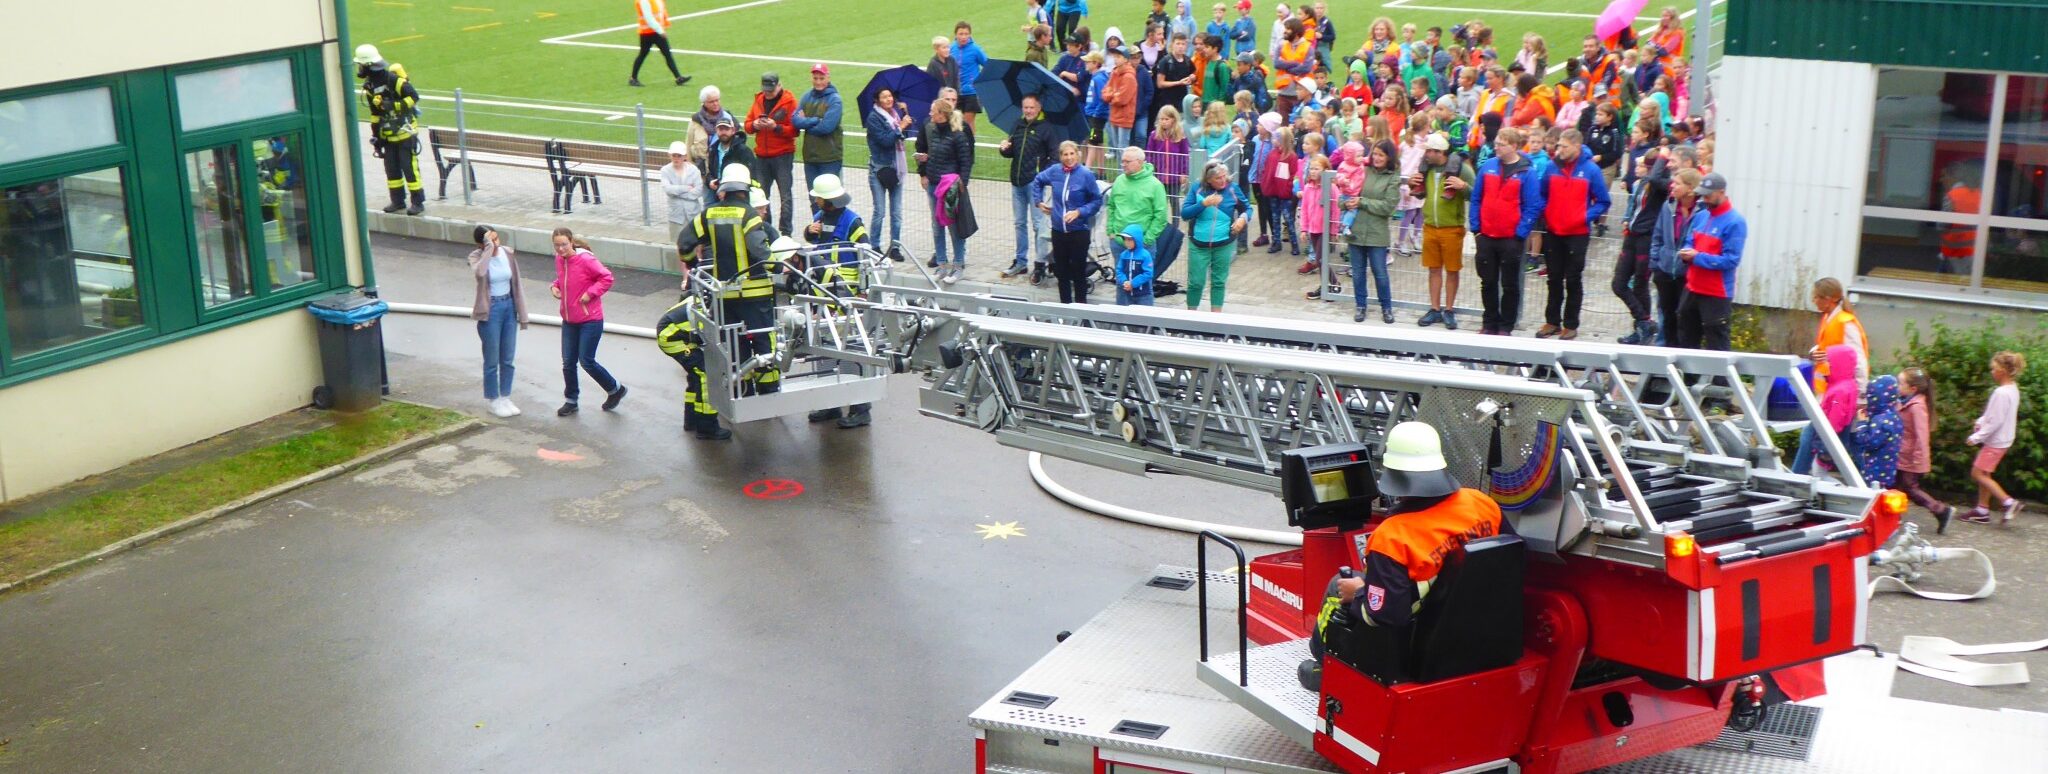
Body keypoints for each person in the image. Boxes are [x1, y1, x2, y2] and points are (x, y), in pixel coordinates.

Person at [1323, 422, 1514, 635]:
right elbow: (1513, 558)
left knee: (1337, 583)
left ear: (1393, 473)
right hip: (1481, 620)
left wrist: (1358, 592)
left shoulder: (1391, 539)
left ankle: (1321, 653)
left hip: (1421, 633)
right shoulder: (1481, 502)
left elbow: (1387, 615)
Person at [680, 165, 781, 396]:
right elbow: (759, 250)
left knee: (736, 345)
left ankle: (743, 392)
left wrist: (692, 263)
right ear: (745, 189)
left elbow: (685, 243)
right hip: (756, 295)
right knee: (764, 343)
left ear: (724, 189)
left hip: (724, 295)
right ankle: (768, 392)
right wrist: (778, 267)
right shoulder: (749, 214)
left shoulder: (708, 214)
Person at [800, 174, 876, 429]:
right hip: (824, 296)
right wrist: (808, 232)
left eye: (818, 197)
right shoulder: (820, 218)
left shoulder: (853, 222)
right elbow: (816, 245)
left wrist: (863, 292)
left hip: (847, 298)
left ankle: (860, 409)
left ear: (828, 199)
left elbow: (866, 256)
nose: (816, 201)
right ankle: (830, 404)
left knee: (852, 349)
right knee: (825, 348)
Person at [1467, 127, 1545, 335]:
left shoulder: (1527, 172)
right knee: (1487, 282)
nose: (1497, 148)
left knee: (1510, 284)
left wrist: (1520, 233)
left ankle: (1506, 325)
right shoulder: (1488, 166)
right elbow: (1476, 198)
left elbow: (1533, 205)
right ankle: (1489, 322)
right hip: (1486, 235)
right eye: (1496, 144)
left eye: (1501, 144)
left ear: (1514, 146)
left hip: (1511, 238)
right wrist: (1476, 228)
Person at [1533, 129, 1609, 341]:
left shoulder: (1591, 170)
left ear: (1576, 146)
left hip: (1577, 233)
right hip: (1554, 231)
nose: (1559, 150)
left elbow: (1603, 201)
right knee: (1553, 278)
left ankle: (1571, 324)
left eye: (1564, 146)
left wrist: (1584, 217)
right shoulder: (1552, 167)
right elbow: (1542, 194)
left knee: (1573, 279)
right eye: (1558, 145)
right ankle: (1552, 321)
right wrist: (1546, 212)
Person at [549, 228, 625, 416]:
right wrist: (555, 287)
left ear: (571, 242)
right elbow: (563, 278)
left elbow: (606, 278)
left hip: (590, 319)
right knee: (568, 362)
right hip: (569, 319)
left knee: (586, 361)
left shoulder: (586, 260)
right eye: (557, 245)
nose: (560, 249)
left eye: (564, 244)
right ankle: (571, 400)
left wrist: (590, 294)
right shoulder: (559, 259)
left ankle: (615, 389)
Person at [654, 279, 731, 441]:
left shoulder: (704, 297)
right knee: (706, 376)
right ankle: (707, 427)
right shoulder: (711, 309)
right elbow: (714, 336)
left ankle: (691, 421)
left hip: (674, 334)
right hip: (673, 338)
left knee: (695, 376)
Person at [1674, 172, 1744, 351]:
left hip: (1716, 293)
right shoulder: (1701, 216)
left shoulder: (1735, 222)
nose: (1704, 199)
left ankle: (1719, 372)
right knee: (1686, 341)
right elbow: (1690, 240)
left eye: (1708, 195)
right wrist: (1687, 252)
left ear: (1721, 192)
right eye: (1702, 195)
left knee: (1717, 344)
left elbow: (1731, 260)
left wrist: (1697, 257)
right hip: (1692, 288)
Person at [353, 45, 425, 215]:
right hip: (388, 136)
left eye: (361, 65)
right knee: (392, 169)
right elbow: (375, 114)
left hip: (405, 132)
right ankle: (397, 201)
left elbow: (414, 97)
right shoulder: (369, 86)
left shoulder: (394, 80)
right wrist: (376, 136)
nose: (359, 68)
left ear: (369, 65)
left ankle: (417, 202)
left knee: (409, 168)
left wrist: (392, 105)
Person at [1030, 141, 1104, 304]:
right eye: (1065, 154)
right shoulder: (1055, 171)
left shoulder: (1086, 175)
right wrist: (1038, 201)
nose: (1069, 158)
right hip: (1058, 231)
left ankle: (1081, 307)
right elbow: (1038, 180)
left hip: (1079, 231)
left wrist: (1079, 212)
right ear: (1060, 156)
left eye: (1072, 154)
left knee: (1078, 273)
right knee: (1061, 272)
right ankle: (1065, 306)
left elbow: (1096, 201)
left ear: (1078, 154)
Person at [1336, 140, 1401, 324]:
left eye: (1381, 155)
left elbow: (1388, 207)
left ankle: (1386, 307)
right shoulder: (1362, 169)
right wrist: (1345, 203)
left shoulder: (1393, 176)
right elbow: (1344, 195)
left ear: (1389, 157)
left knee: (1380, 272)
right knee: (1357, 272)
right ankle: (1360, 305)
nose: (1377, 158)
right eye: (1375, 154)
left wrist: (1362, 202)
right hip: (1356, 230)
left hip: (1376, 233)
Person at [468, 226, 528, 418]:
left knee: (508, 358)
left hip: (508, 306)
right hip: (490, 309)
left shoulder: (507, 253)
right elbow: (480, 274)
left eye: (496, 238)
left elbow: (516, 283)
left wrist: (521, 311)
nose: (495, 243)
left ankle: (505, 396)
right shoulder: (476, 257)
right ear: (481, 244)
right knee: (492, 359)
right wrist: (488, 249)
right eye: (490, 240)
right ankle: (493, 399)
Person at [1960, 352, 2026, 524]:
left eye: (1994, 368)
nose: (1992, 371)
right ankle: (1982, 510)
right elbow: (1994, 415)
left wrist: (1976, 437)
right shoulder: (2012, 389)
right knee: (1985, 473)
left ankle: (2009, 502)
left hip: (1995, 441)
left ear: (2003, 370)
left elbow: (1996, 420)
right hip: (2002, 440)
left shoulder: (2001, 393)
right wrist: (1981, 422)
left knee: (1977, 473)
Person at [1414, 133, 1471, 330]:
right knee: (1434, 269)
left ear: (1440, 152)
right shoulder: (1427, 168)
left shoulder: (1462, 169)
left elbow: (1477, 192)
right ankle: (1435, 308)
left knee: (1452, 270)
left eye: (1430, 151)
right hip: (1430, 226)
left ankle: (1449, 309)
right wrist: (1413, 184)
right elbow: (1421, 193)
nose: (1427, 154)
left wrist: (1463, 186)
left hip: (1452, 228)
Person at [1000, 95, 1060, 281]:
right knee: (1019, 223)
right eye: (1025, 107)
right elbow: (1012, 151)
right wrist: (1004, 149)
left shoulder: (1047, 128)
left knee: (1038, 225)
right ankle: (1020, 262)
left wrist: (1041, 175)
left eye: (1031, 107)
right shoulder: (1017, 125)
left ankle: (1040, 264)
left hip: (1034, 185)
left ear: (1039, 108)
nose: (1028, 111)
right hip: (1016, 181)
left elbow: (1055, 157)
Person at [919, 96, 975, 283]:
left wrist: (962, 185)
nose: (930, 114)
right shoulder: (932, 130)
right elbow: (931, 153)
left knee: (954, 227)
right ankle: (941, 265)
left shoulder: (958, 135)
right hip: (934, 185)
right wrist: (925, 164)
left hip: (950, 188)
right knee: (937, 226)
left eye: (933, 111)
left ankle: (958, 265)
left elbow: (966, 161)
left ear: (941, 114)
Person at [1182, 160, 1249, 311]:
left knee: (1219, 282)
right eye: (1218, 178)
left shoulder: (1233, 188)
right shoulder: (1197, 188)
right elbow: (1185, 214)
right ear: (1208, 179)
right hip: (1198, 245)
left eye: (1225, 176)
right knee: (1196, 282)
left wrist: (1242, 218)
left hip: (1223, 244)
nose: (1223, 180)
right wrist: (1203, 204)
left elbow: (1247, 208)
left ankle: (1215, 318)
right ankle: (1190, 316)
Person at [1894, 368, 1955, 532]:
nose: (1897, 386)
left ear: (1913, 389)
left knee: (1910, 488)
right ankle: (1893, 519)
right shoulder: (1905, 401)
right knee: (1897, 487)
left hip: (1911, 457)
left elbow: (1922, 435)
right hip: (1902, 454)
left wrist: (1919, 458)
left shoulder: (1916, 406)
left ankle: (1941, 510)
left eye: (1900, 383)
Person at [1645, 167, 1700, 345]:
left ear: (1690, 188)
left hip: (1687, 274)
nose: (1672, 186)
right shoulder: (1668, 206)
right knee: (1667, 317)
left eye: (1677, 183)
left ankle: (1685, 356)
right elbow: (1658, 235)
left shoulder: (1702, 211)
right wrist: (1655, 263)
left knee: (1685, 318)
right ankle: (1668, 355)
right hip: (1665, 270)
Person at [1106, 146, 1174, 277]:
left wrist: (1147, 240)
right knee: (1121, 283)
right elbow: (1111, 206)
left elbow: (1160, 216)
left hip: (1142, 245)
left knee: (1143, 284)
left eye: (1127, 162)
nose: (1123, 164)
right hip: (1119, 242)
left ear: (1140, 162)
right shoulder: (1119, 181)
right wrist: (1111, 231)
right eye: (1122, 161)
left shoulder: (1155, 185)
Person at [746, 72, 801, 235]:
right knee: (762, 196)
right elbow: (747, 125)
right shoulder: (758, 100)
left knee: (785, 196)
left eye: (771, 90)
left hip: (782, 155)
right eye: (766, 90)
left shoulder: (790, 102)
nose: (768, 93)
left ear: (779, 85)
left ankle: (786, 232)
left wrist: (776, 127)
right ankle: (766, 230)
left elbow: (795, 130)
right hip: (762, 156)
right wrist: (755, 125)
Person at [864, 88, 911, 253]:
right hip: (879, 169)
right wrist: (900, 127)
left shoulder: (896, 115)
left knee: (896, 213)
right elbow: (885, 141)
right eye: (884, 97)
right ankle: (875, 246)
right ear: (877, 100)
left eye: (890, 96)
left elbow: (906, 135)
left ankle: (895, 247)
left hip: (896, 167)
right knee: (880, 211)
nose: (889, 99)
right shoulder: (873, 118)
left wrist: (905, 113)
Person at [792, 63, 845, 189]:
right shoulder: (806, 96)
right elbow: (795, 121)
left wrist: (805, 123)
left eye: (821, 78)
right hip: (810, 157)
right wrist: (816, 120)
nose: (818, 82)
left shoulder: (835, 100)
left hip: (830, 158)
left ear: (828, 78)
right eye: (815, 78)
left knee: (830, 196)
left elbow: (826, 127)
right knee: (813, 196)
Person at [1851, 375, 1905, 490]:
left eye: (1871, 396)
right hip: (1887, 470)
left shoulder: (1880, 420)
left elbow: (1867, 443)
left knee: (1872, 496)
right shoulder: (1894, 416)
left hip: (1875, 472)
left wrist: (1862, 423)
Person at [1259, 126, 1301, 255]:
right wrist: (1265, 185)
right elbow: (1267, 171)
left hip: (1285, 195)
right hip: (1273, 193)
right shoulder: (1272, 154)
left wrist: (1288, 189)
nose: (1273, 140)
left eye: (1276, 138)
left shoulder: (1291, 156)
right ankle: (1276, 242)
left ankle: (1294, 244)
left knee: (1288, 219)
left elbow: (1293, 175)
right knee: (1275, 218)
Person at [628, 0, 691, 87]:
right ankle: (633, 78)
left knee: (667, 54)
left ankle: (678, 77)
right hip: (647, 33)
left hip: (655, 32)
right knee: (643, 54)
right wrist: (660, 30)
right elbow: (648, 18)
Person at [660, 141, 706, 243]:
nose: (676, 158)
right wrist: (686, 188)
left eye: (679, 156)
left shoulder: (693, 170)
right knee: (677, 243)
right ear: (669, 155)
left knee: (695, 243)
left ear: (685, 156)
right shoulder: (665, 170)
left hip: (693, 214)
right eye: (674, 155)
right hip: (676, 216)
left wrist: (677, 193)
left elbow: (699, 190)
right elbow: (668, 189)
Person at [702, 115, 757, 196]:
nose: (723, 132)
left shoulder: (743, 151)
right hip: (716, 189)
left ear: (733, 130)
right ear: (716, 131)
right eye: (721, 129)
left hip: (736, 192)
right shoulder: (713, 149)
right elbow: (710, 172)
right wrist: (710, 181)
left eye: (727, 129)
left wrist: (727, 189)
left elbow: (751, 175)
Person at [1154, 34, 1197, 135]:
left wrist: (1192, 78)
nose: (1180, 46)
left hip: (1182, 103)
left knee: (1179, 131)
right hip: (1167, 102)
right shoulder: (1165, 61)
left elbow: (1193, 74)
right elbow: (1160, 83)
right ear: (1172, 44)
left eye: (1183, 44)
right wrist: (1178, 83)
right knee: (1164, 131)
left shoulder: (1187, 61)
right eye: (1178, 43)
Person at [1146, 104, 1192, 194]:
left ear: (1173, 120)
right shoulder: (1154, 135)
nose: (1164, 122)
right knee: (1160, 199)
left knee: (1174, 199)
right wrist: (1150, 170)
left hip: (1175, 177)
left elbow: (1185, 156)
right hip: (1158, 176)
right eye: (1161, 119)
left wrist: (1184, 173)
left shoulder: (1181, 136)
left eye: (1166, 119)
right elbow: (1149, 154)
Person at [953, 22, 991, 129]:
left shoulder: (975, 49)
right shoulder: (952, 49)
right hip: (956, 92)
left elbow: (988, 65)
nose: (963, 37)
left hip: (972, 92)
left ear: (970, 35)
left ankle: (969, 140)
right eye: (961, 34)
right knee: (956, 122)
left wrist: (978, 82)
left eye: (966, 34)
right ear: (956, 34)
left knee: (967, 123)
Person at [1103, 45, 1140, 149]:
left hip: (1125, 117)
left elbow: (1122, 99)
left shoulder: (1129, 77)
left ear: (1126, 59)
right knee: (1116, 147)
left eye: (1118, 57)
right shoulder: (1114, 73)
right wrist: (1114, 95)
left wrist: (1111, 96)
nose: (1115, 59)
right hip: (1114, 115)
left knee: (1122, 147)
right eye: (1114, 56)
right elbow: (1105, 92)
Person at [1113, 224, 1156, 305]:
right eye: (1125, 239)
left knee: (1144, 312)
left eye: (1129, 240)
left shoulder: (1145, 255)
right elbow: (1119, 270)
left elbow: (1148, 273)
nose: (1126, 242)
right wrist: (1124, 281)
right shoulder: (1123, 255)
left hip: (1143, 294)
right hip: (1127, 293)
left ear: (1137, 240)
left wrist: (1133, 284)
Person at [687, 86, 732, 164]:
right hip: (700, 166)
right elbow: (688, 144)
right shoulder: (695, 120)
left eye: (717, 100)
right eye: (711, 102)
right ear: (704, 103)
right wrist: (689, 165)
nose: (715, 104)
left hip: (720, 165)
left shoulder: (727, 118)